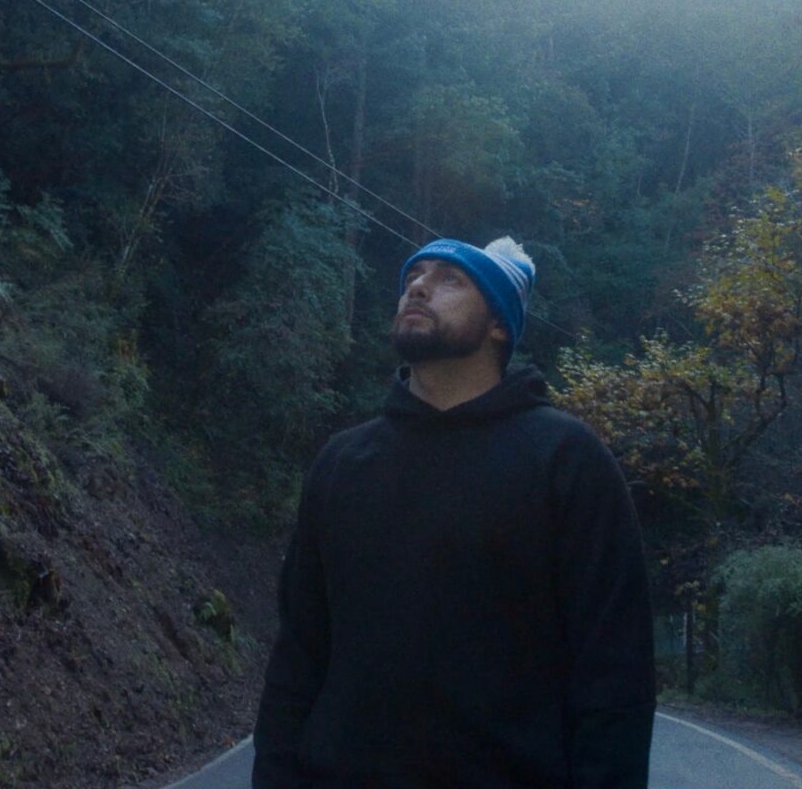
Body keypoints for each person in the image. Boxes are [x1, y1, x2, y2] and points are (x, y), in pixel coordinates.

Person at [252, 236, 655, 788]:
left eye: (450, 279)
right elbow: (298, 657)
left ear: (499, 324)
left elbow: (615, 673)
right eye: (414, 275)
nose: (419, 287)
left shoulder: (566, 460)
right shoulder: (342, 463)